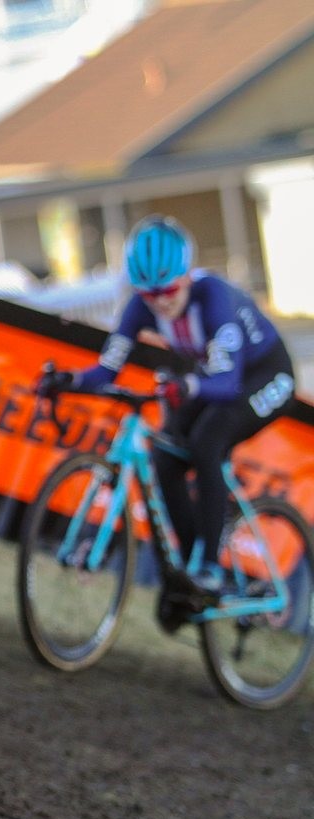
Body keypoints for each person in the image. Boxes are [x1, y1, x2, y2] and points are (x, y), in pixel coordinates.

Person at [38, 214, 297, 619]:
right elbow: (107, 369)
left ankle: (211, 568)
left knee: (208, 441)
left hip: (265, 375)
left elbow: (227, 383)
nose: (160, 301)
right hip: (212, 378)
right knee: (164, 459)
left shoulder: (212, 298)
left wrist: (188, 387)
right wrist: (66, 380)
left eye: (169, 290)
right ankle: (190, 575)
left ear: (186, 276)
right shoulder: (140, 308)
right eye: (148, 294)